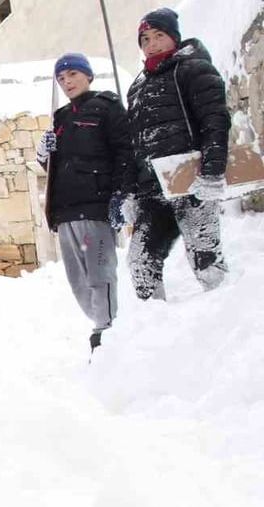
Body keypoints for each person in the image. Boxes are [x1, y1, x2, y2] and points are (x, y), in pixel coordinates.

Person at [119, 7, 231, 301]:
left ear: (174, 37)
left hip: (192, 182)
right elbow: (134, 143)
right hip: (153, 191)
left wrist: (211, 172)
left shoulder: (193, 68)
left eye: (159, 35)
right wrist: (131, 191)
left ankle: (228, 320)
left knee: (205, 257)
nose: (152, 44)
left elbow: (215, 120)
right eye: (145, 39)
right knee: (140, 261)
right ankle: (155, 326)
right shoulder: (137, 88)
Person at [36, 52, 132, 352]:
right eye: (61, 79)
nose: (67, 82)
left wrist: (121, 193)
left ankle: (106, 328)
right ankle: (101, 321)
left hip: (94, 206)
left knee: (99, 270)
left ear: (88, 75)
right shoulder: (60, 118)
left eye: (73, 75)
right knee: (77, 278)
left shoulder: (107, 107)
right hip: (65, 212)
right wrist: (44, 154)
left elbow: (124, 152)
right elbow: (54, 168)